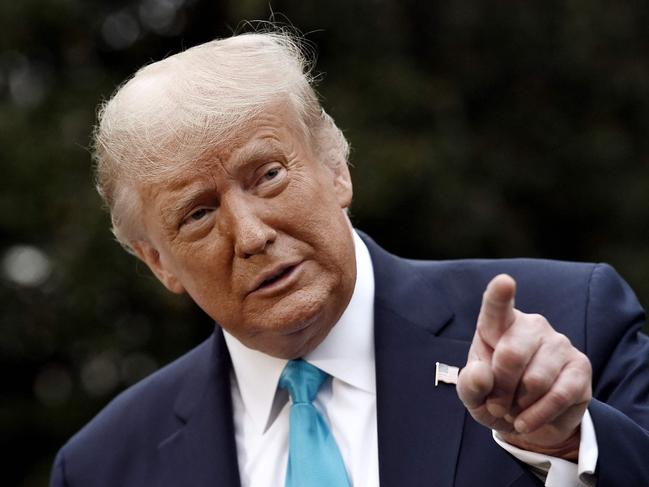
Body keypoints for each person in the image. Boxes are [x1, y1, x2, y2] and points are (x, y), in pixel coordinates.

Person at [50, 31, 649, 487]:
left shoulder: (576, 318)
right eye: (198, 214)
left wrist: (571, 443)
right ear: (158, 262)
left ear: (336, 168)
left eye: (269, 175)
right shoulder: (103, 465)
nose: (252, 235)